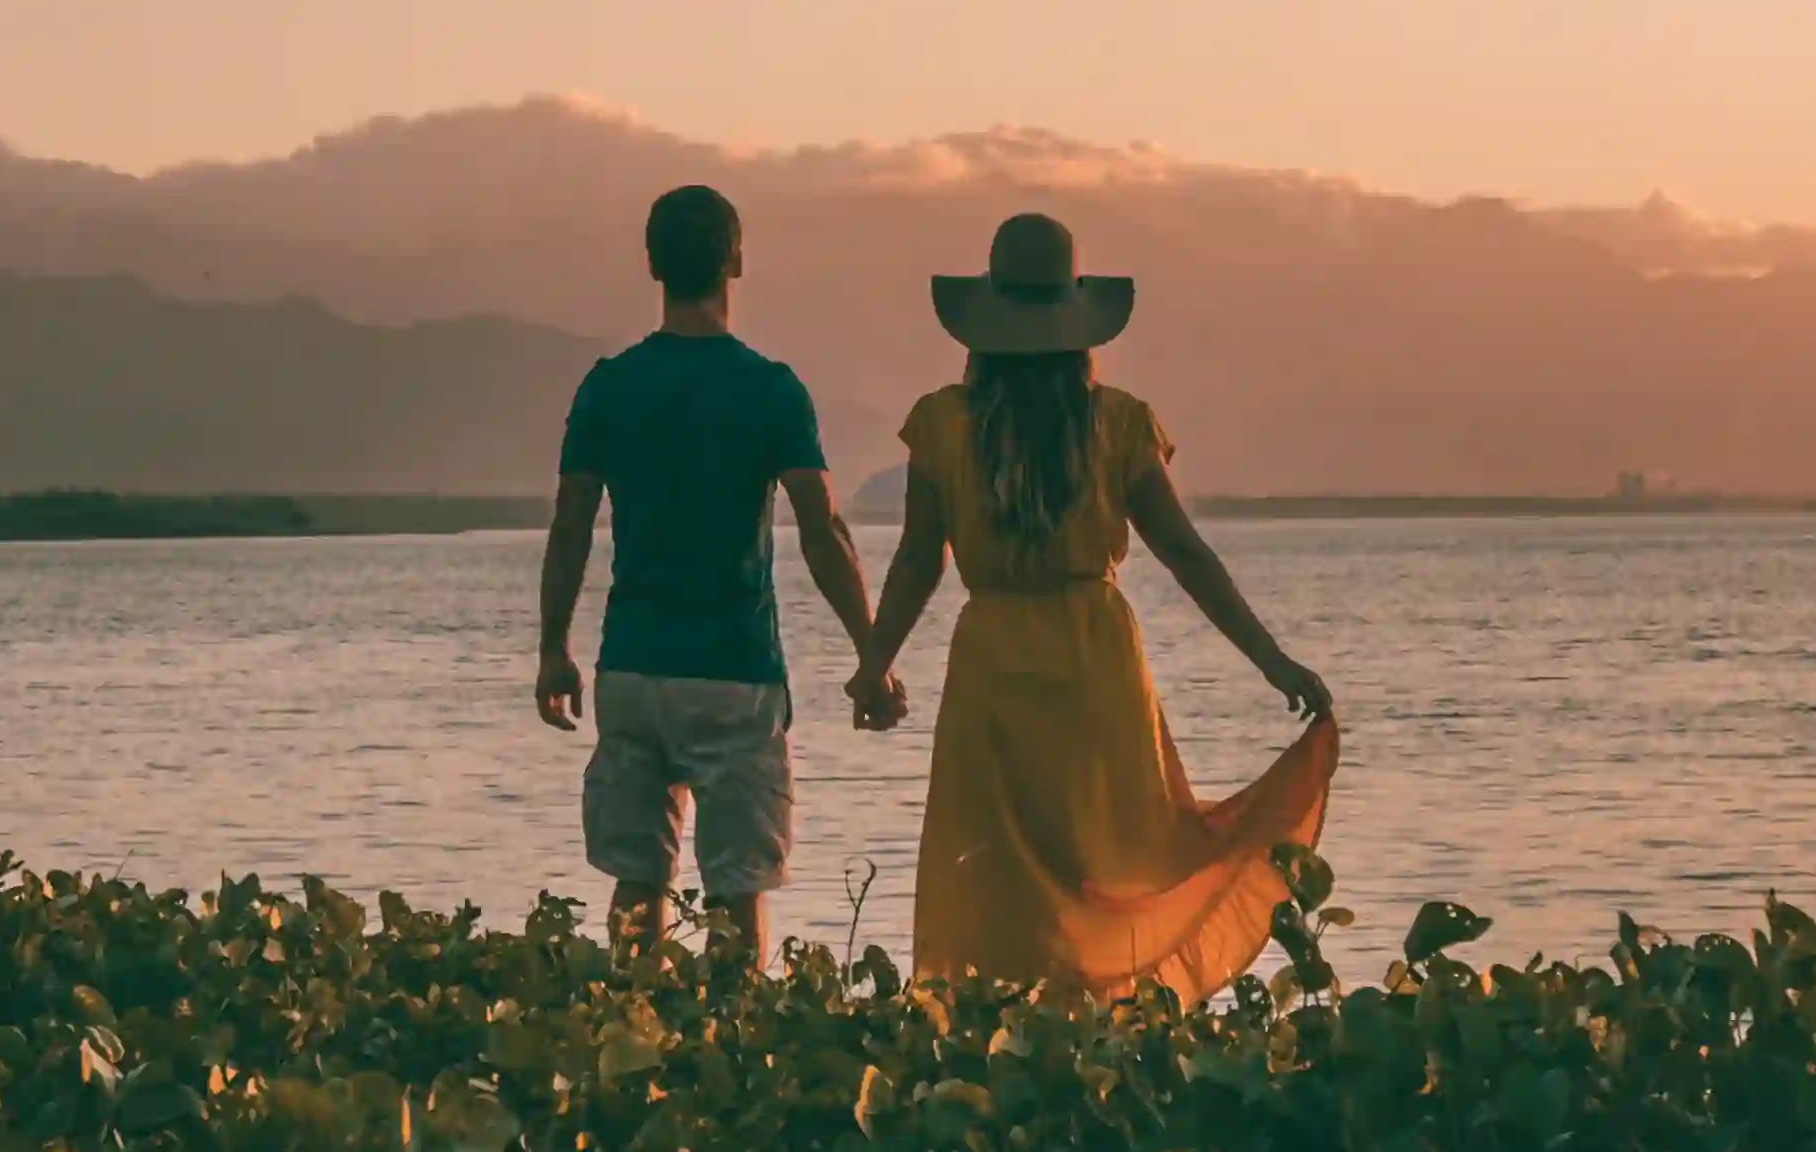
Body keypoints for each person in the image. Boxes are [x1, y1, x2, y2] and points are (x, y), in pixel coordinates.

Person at [846, 210, 1339, 1002]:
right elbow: (1183, 552)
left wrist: (874, 666)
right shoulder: (1115, 423)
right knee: (1113, 854)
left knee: (997, 867)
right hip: (1096, 661)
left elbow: (915, 562)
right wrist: (1271, 659)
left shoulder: (944, 423)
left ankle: (996, 1031)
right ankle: (1104, 1025)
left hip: (992, 660)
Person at [537, 184, 880, 967]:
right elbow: (821, 528)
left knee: (636, 881)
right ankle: (735, 1060)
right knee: (735, 888)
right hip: (734, 674)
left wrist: (553, 649)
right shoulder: (769, 388)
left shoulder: (608, 385)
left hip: (630, 667)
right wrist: (870, 648)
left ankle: (634, 1042)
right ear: (736, 261)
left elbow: (569, 527)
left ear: (652, 264)